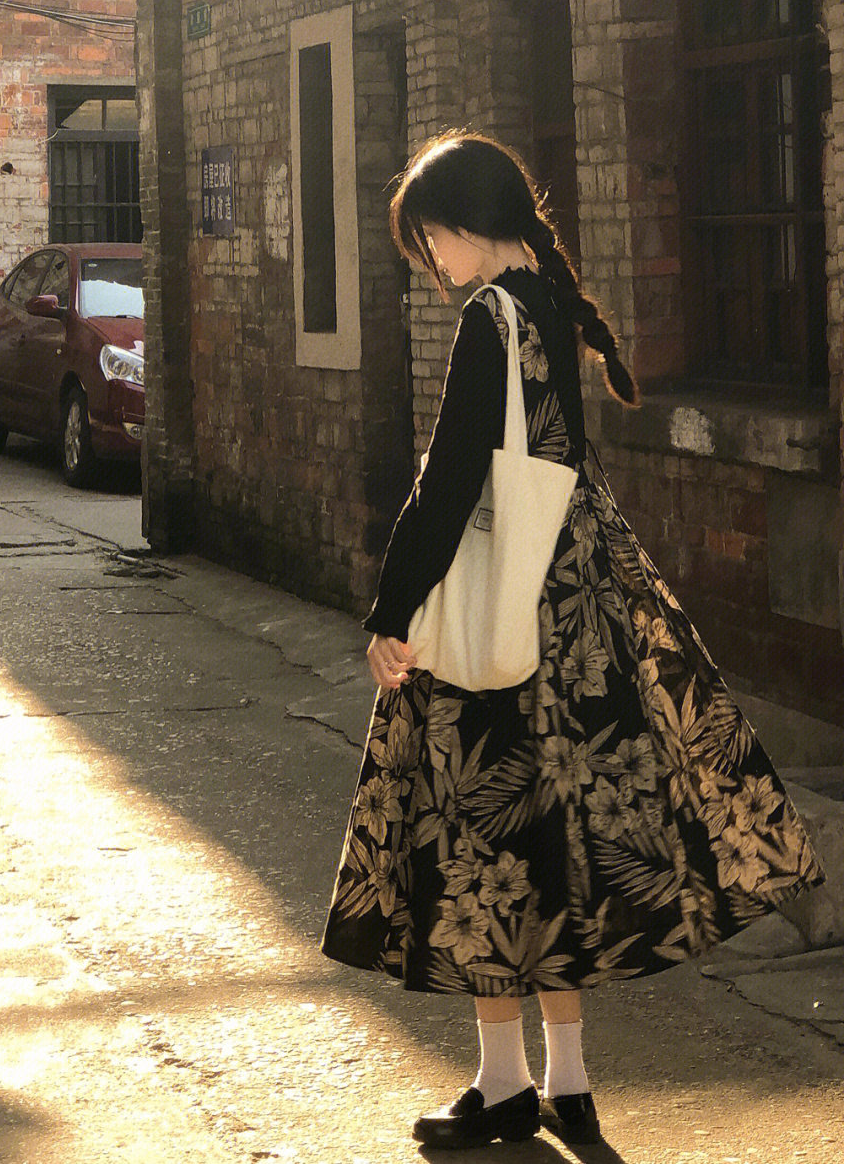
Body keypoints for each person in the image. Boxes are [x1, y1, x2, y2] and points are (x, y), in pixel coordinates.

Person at [320, 132, 825, 1149]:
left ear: (466, 222)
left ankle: (504, 1083)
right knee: (563, 840)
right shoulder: (551, 302)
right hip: (581, 604)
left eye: (430, 238)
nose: (431, 260)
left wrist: (392, 610)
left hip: (499, 615)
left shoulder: (487, 319)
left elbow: (449, 481)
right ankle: (570, 1078)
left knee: (483, 838)